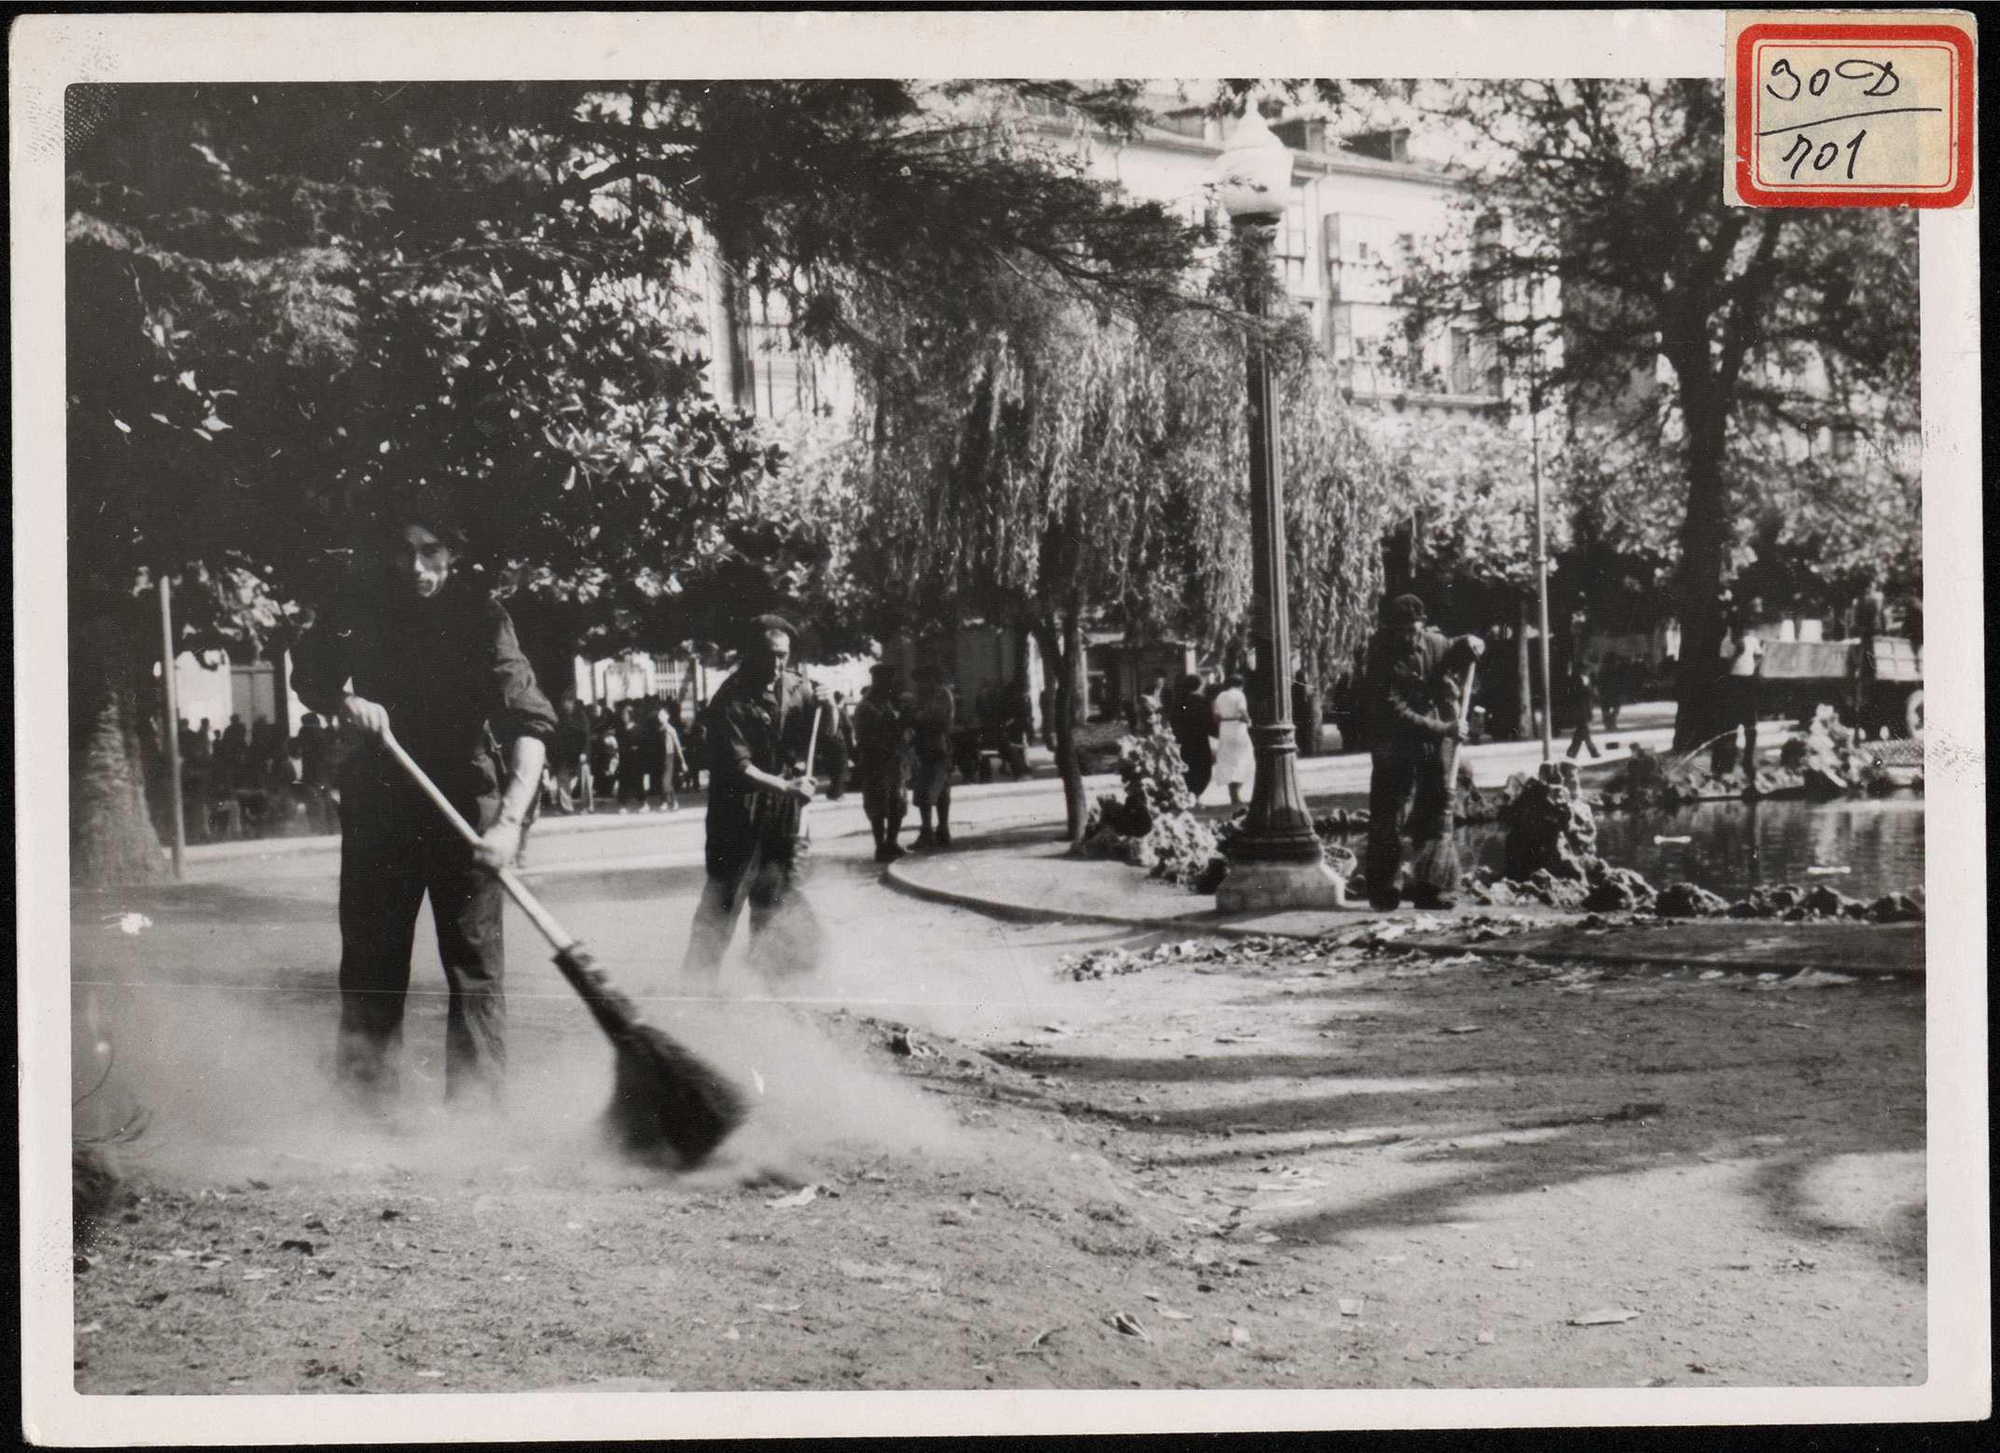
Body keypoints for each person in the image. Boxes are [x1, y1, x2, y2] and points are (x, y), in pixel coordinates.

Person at [290, 496, 555, 1113]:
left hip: (466, 810)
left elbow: (530, 726)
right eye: (403, 552)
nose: (415, 566)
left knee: (475, 967)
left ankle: (476, 1119)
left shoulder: (484, 618)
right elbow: (310, 672)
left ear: (452, 554)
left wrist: (510, 824)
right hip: (380, 810)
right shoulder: (358, 606)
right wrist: (343, 701)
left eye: (430, 552)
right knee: (373, 963)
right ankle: (364, 1113)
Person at [679, 615, 825, 983]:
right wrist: (788, 787)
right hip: (738, 813)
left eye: (784, 656)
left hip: (781, 812)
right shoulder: (729, 698)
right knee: (723, 903)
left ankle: (770, 985)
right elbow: (738, 767)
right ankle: (696, 985)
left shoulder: (797, 687)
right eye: (771, 655)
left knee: (774, 898)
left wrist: (830, 707)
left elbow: (822, 734)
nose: (779, 664)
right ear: (752, 654)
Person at [1361, 594, 1482, 911]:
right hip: (1394, 743)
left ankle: (1432, 885)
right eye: (1400, 631)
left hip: (1432, 745)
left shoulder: (1434, 642)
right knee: (1390, 816)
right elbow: (1392, 709)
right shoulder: (1380, 652)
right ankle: (1384, 889)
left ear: (1422, 625)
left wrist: (1469, 643)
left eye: (1413, 630)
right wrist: (1443, 728)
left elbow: (1454, 650)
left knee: (1435, 807)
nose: (1408, 637)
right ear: (1390, 628)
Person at [853, 663, 912, 862]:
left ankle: (892, 842)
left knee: (897, 802)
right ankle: (880, 846)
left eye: (890, 680)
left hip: (894, 761)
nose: (889, 684)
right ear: (876, 680)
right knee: (877, 804)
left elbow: (901, 728)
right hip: (875, 761)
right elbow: (863, 736)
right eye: (885, 680)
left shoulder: (891, 702)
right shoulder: (866, 705)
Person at [910, 664, 956, 849]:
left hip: (936, 746)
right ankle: (940, 831)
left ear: (932, 679)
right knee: (939, 789)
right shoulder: (928, 696)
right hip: (929, 746)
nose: (920, 684)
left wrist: (913, 716)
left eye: (923, 680)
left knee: (927, 791)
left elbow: (929, 718)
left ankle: (929, 832)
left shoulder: (941, 695)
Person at [1170, 672, 1215, 802]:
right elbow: (1208, 721)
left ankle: (1188, 795)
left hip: (1183, 740)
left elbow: (1173, 720)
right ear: (1199, 686)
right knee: (1202, 769)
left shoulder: (1178, 701)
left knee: (1186, 766)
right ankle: (1196, 794)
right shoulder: (1203, 701)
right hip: (1200, 740)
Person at [1211, 673, 1254, 807]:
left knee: (1227, 759)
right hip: (1238, 728)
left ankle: (1232, 789)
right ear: (1240, 684)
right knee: (1244, 757)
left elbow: (1216, 717)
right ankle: (1237, 788)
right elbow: (1242, 710)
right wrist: (1248, 720)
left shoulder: (1220, 696)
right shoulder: (1239, 695)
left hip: (1225, 728)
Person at [1566, 665, 1603, 760]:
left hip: (1585, 708)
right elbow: (1577, 693)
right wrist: (1589, 691)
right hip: (1579, 709)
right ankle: (1593, 751)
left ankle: (1572, 751)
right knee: (1584, 731)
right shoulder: (1575, 679)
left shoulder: (1586, 679)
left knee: (1582, 731)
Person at [824, 691, 854, 801]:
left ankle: (832, 792)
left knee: (833, 769)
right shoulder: (841, 711)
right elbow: (849, 727)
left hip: (829, 743)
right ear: (841, 700)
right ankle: (838, 794)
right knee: (840, 769)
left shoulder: (828, 710)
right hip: (840, 741)